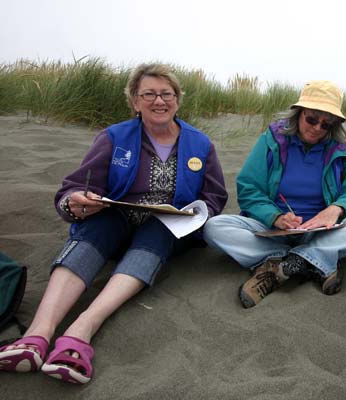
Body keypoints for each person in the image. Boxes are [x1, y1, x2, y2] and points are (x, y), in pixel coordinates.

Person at [0, 63, 228, 384]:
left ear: (178, 100)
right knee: (98, 226)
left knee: (157, 230)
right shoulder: (114, 137)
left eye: (167, 94)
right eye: (149, 94)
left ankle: (81, 331)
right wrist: (78, 201)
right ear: (134, 101)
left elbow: (215, 197)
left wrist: (195, 214)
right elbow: (72, 189)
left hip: (165, 229)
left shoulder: (200, 144)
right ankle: (37, 336)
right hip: (116, 219)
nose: (159, 101)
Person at [203, 80, 346, 308]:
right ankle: (315, 261)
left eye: (326, 124)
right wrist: (275, 217)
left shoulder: (343, 150)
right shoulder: (271, 141)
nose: (317, 128)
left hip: (321, 233)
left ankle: (286, 263)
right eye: (312, 119)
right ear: (298, 113)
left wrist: (335, 209)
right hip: (272, 231)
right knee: (214, 227)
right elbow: (249, 188)